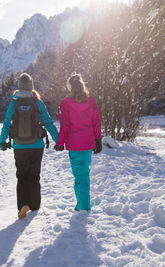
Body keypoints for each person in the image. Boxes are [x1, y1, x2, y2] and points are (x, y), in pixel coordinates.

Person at [0, 73, 58, 219]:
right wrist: (59, 140)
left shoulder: (14, 102)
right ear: (31, 86)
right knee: (34, 175)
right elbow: (48, 122)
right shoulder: (38, 102)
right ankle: (35, 204)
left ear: (19, 86)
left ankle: (22, 205)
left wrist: (2, 141)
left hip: (19, 145)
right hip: (36, 145)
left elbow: (7, 122)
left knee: (22, 175)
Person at [54, 73, 102, 212]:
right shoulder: (91, 101)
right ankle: (83, 203)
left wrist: (60, 142)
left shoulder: (65, 103)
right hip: (88, 143)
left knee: (79, 175)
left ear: (70, 87)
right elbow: (96, 122)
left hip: (74, 144)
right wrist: (98, 140)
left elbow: (65, 125)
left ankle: (83, 206)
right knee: (84, 173)